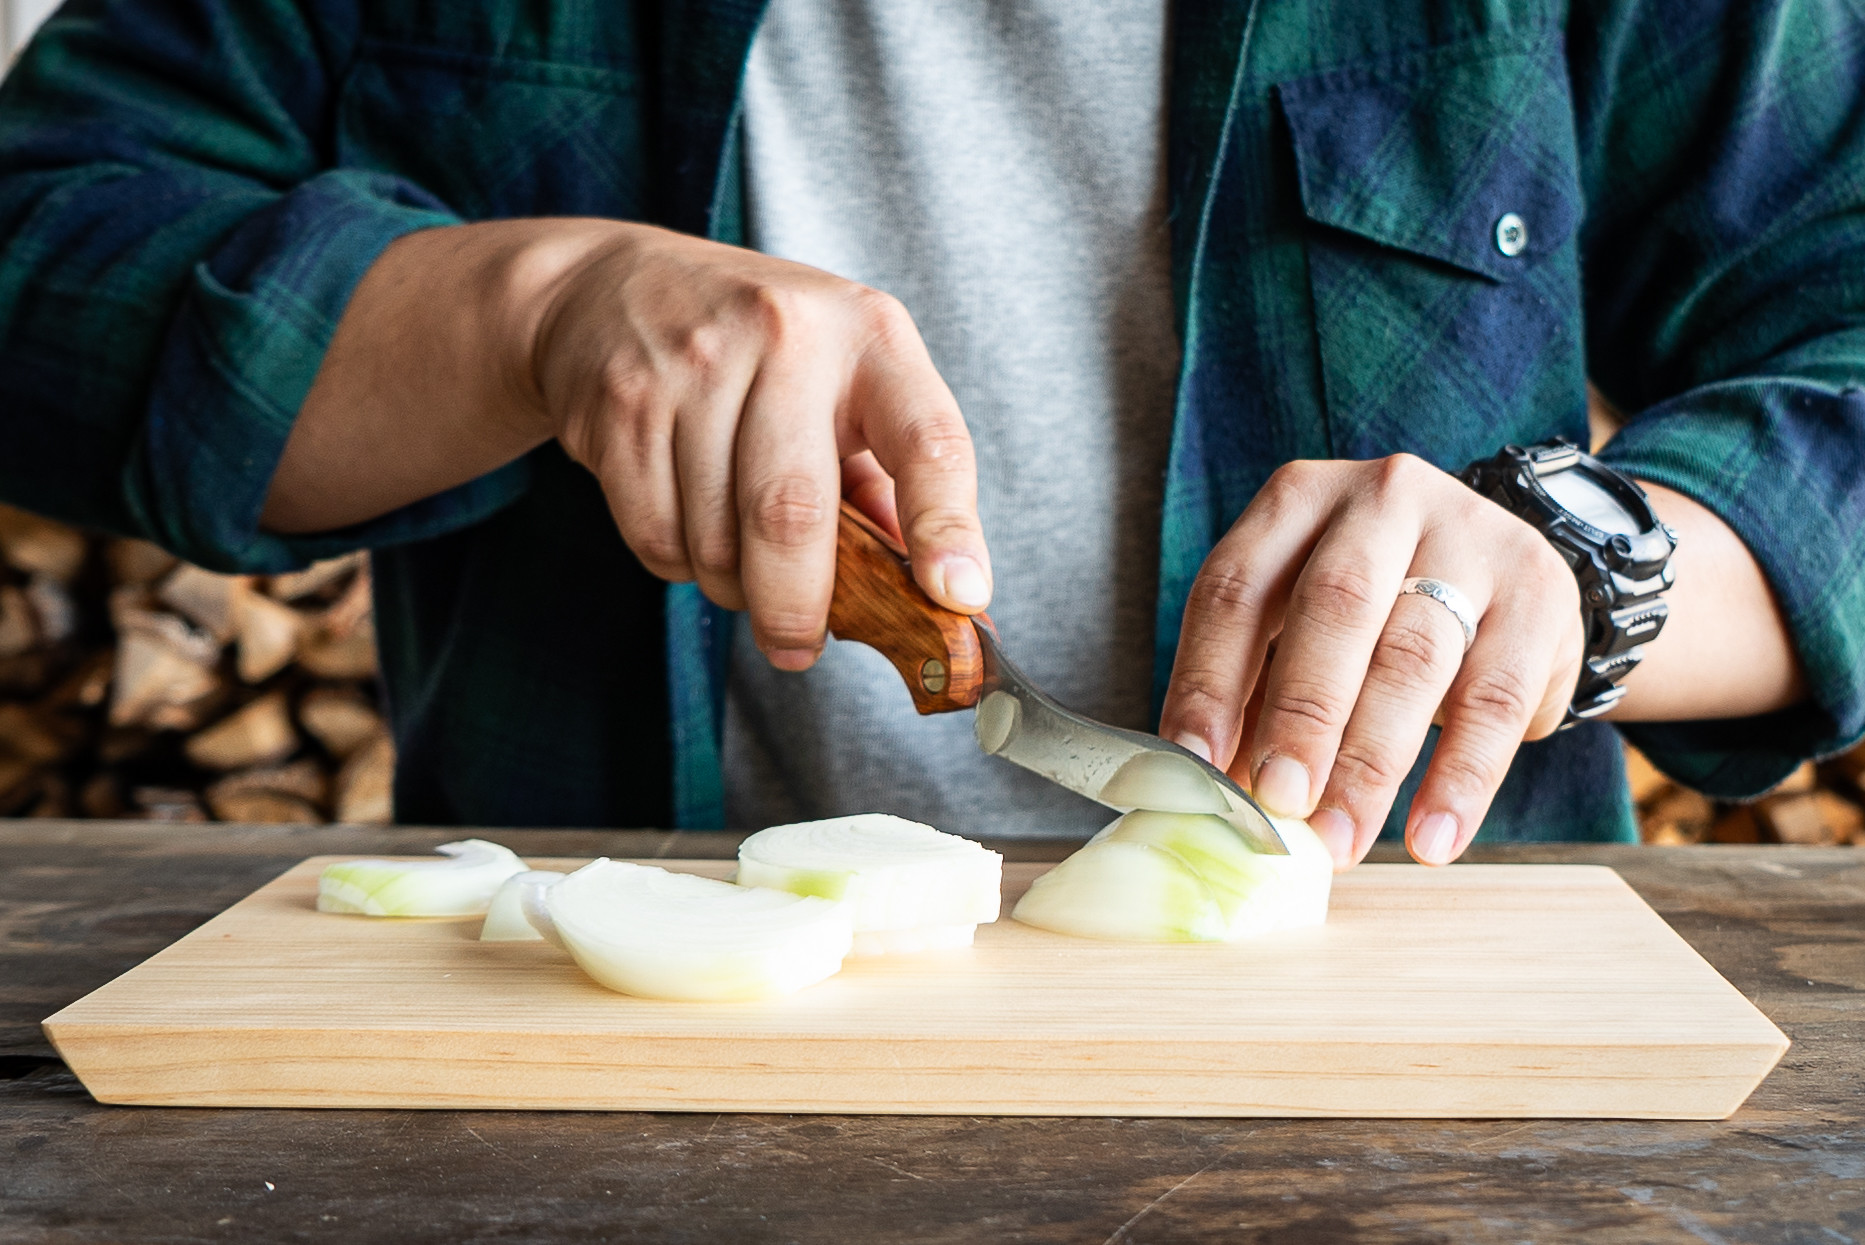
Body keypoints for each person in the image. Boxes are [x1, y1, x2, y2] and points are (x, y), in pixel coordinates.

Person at [0, 0, 1858, 868]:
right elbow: (42, 249)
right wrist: (527, 311)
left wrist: (1574, 573)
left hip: (1410, 1072)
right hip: (585, 1077)